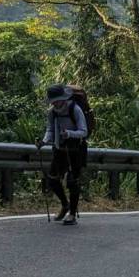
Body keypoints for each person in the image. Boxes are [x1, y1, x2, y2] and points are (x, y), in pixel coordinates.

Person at [41, 84, 88, 225]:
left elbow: (83, 131)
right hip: (59, 149)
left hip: (75, 150)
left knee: (72, 182)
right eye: (52, 101)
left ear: (63, 98)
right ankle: (65, 204)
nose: (54, 103)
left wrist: (69, 134)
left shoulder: (75, 109)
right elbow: (50, 129)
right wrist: (44, 141)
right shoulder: (52, 112)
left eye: (56, 100)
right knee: (52, 180)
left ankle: (72, 214)